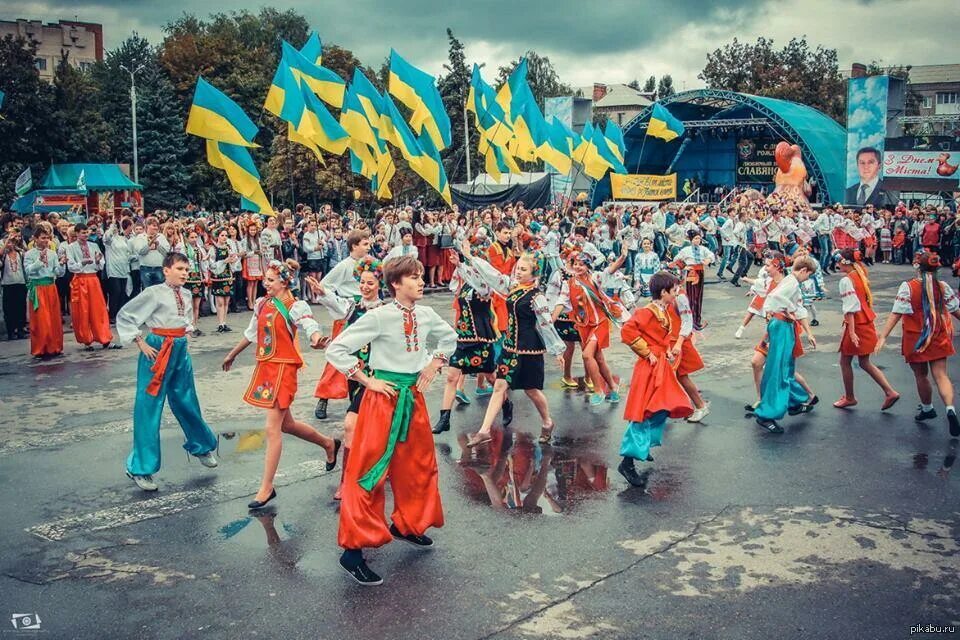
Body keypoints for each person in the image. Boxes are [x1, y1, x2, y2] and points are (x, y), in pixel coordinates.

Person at [325, 255, 457, 586]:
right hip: (382, 402)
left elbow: (449, 338)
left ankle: (408, 525)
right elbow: (337, 349)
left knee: (419, 466)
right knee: (368, 471)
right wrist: (368, 381)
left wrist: (434, 364)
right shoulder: (380, 317)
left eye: (421, 276)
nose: (421, 281)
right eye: (414, 277)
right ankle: (352, 552)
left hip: (412, 399)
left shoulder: (425, 314)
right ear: (396, 284)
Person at [222, 260, 341, 508]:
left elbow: (309, 325)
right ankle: (329, 443)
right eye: (265, 279)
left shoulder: (295, 305)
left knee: (272, 428)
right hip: (266, 367)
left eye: (271, 280)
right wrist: (232, 354)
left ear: (285, 282)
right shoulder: (262, 303)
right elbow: (251, 333)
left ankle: (266, 487)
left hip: (284, 369)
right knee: (287, 425)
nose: (266, 283)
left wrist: (318, 338)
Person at [116, 252, 220, 492]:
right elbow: (126, 315)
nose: (185, 273)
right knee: (149, 405)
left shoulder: (185, 292)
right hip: (157, 350)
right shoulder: (154, 293)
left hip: (179, 349)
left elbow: (184, 320)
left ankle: (201, 446)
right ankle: (140, 467)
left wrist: (187, 333)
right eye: (180, 269)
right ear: (166, 270)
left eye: (186, 269)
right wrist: (140, 342)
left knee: (187, 400)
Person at [461, 244, 565, 448]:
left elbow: (545, 324)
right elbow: (492, 275)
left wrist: (557, 350)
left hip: (529, 350)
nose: (518, 271)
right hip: (510, 347)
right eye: (518, 267)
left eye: (523, 270)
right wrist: (469, 257)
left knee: (531, 391)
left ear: (534, 274)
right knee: (500, 387)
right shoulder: (512, 287)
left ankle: (547, 422)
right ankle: (484, 431)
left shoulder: (537, 296)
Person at [304, 256, 387, 500]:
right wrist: (321, 291)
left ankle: (348, 480)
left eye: (370, 283)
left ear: (379, 284)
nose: (365, 287)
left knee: (352, 425)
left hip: (376, 376)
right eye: (362, 282)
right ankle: (370, 470)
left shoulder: (385, 311)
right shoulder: (354, 307)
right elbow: (336, 304)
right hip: (355, 375)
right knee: (364, 426)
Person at [618, 271, 693, 486]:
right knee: (645, 412)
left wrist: (667, 350)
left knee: (662, 407)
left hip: (660, 364)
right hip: (649, 366)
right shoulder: (647, 311)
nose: (677, 293)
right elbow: (627, 332)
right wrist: (648, 353)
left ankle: (641, 447)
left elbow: (661, 336)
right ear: (664, 292)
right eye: (674, 290)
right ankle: (627, 462)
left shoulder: (664, 309)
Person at [875, 252, 960, 436]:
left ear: (917, 267)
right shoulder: (943, 286)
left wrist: (883, 336)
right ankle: (950, 409)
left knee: (921, 376)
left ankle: (927, 408)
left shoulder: (908, 287)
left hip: (916, 338)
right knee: (941, 375)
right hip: (938, 335)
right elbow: (955, 310)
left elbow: (896, 313)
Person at [432, 247, 497, 435]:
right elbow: (455, 285)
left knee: (492, 377)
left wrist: (462, 264)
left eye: (475, 265)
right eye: (471, 264)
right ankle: (444, 418)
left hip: (481, 337)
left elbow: (476, 282)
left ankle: (506, 404)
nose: (472, 268)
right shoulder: (466, 284)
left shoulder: (485, 285)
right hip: (463, 336)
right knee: (451, 376)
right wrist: (459, 265)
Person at [752, 256, 819, 433]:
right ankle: (765, 415)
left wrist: (793, 313)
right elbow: (775, 297)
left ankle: (794, 402)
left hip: (783, 326)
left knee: (786, 368)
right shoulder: (792, 283)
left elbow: (782, 302)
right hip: (782, 326)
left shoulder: (791, 281)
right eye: (809, 275)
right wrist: (791, 310)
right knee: (778, 369)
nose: (808, 278)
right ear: (803, 270)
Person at [554, 249, 626, 405]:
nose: (578, 267)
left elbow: (610, 270)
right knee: (599, 359)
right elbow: (561, 302)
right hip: (584, 326)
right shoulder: (569, 284)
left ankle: (598, 390)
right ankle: (613, 388)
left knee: (587, 355)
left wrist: (623, 256)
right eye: (576, 264)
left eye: (581, 264)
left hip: (599, 323)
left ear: (588, 266)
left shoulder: (595, 278)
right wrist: (550, 322)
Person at [314, 229, 372, 420]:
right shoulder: (344, 265)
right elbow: (325, 286)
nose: (368, 246)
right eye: (364, 243)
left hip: (366, 313)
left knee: (364, 356)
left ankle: (356, 400)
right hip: (347, 313)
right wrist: (339, 300)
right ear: (354, 246)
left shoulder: (369, 264)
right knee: (337, 356)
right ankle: (323, 397)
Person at [832, 249, 900, 411]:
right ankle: (889, 392)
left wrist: (851, 332)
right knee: (864, 362)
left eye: (838, 260)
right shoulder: (860, 273)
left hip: (857, 323)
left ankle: (850, 397)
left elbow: (850, 308)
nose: (836, 262)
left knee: (845, 361)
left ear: (845, 262)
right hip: (866, 320)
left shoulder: (846, 281)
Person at [66, 222, 115, 350]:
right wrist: (82, 262)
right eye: (83, 232)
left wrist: (98, 261)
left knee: (99, 309)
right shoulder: (71, 248)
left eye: (86, 232)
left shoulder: (93, 245)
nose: (86, 235)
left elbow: (101, 262)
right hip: (80, 279)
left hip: (93, 279)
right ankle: (86, 340)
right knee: (83, 311)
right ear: (76, 233)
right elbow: (71, 266)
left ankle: (105, 338)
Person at [23, 222, 65, 359]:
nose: (46, 241)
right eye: (42, 238)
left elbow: (57, 272)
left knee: (53, 319)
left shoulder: (52, 253)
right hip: (38, 288)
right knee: (42, 320)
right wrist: (39, 262)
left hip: (50, 287)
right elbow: (28, 271)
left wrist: (62, 264)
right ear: (35, 238)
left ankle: (54, 346)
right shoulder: (29, 254)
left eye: (47, 238)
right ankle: (41, 347)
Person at [673, 230, 716, 330]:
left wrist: (708, 260)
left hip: (700, 272)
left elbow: (711, 255)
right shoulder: (686, 250)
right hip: (691, 273)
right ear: (691, 239)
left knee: (699, 296)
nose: (698, 241)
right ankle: (691, 321)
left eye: (699, 239)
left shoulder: (703, 249)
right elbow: (676, 259)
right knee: (692, 296)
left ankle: (697, 320)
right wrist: (684, 267)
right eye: (695, 238)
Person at [208, 228, 238, 333]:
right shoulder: (213, 249)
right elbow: (211, 264)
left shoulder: (229, 247)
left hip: (228, 276)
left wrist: (233, 260)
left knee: (226, 301)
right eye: (222, 235)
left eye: (226, 235)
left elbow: (234, 260)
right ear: (217, 236)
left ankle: (224, 323)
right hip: (218, 276)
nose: (224, 237)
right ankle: (220, 323)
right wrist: (224, 261)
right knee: (220, 301)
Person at [2, 232, 27, 341]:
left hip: (20, 283)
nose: (10, 244)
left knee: (20, 308)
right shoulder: (4, 255)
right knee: (9, 309)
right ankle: (10, 331)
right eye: (8, 242)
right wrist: (6, 241)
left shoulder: (20, 253)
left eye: (12, 242)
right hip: (8, 284)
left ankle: (20, 329)